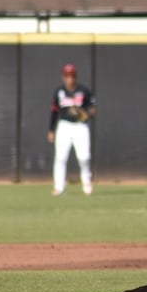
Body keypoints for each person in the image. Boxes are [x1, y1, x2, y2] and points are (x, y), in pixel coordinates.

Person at [47, 63, 97, 196]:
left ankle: (86, 182)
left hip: (80, 126)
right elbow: (54, 111)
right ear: (63, 77)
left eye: (72, 76)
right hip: (64, 126)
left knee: (84, 157)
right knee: (60, 157)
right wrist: (51, 130)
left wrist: (86, 114)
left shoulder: (83, 91)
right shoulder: (59, 92)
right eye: (67, 76)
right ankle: (59, 187)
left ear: (75, 76)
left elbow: (92, 108)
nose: (70, 79)